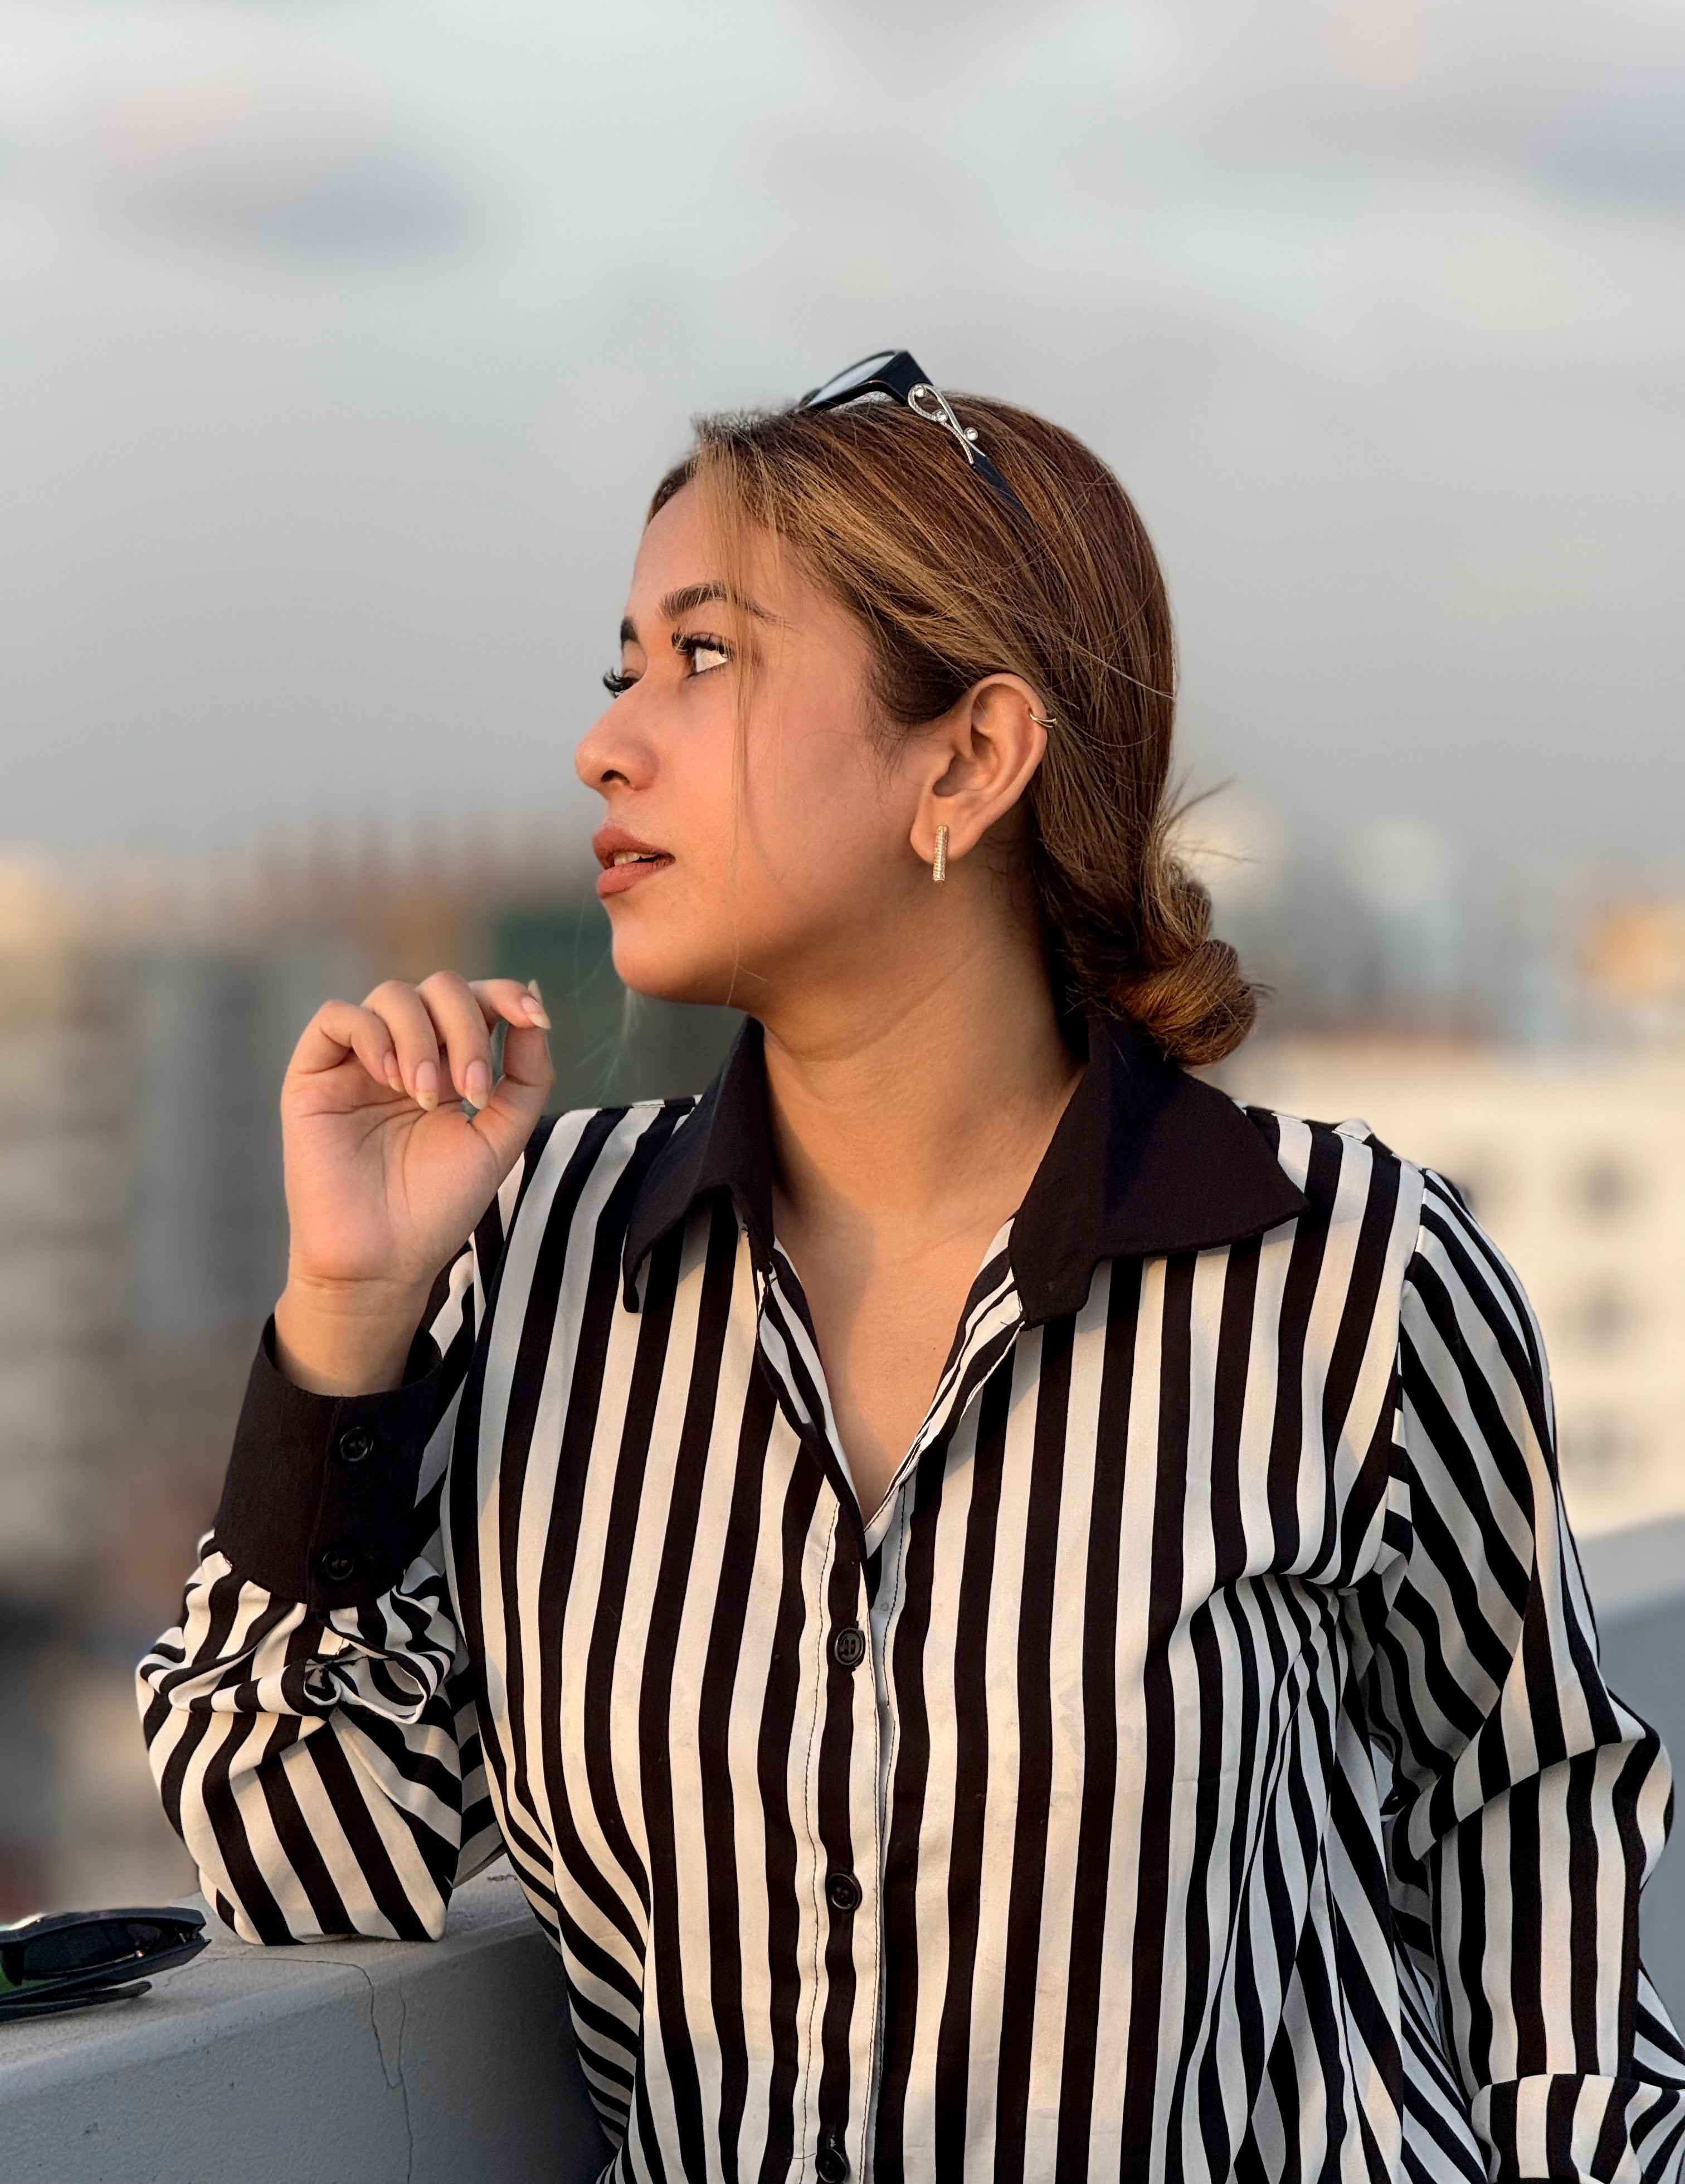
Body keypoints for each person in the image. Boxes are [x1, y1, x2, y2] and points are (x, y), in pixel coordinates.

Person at [139, 353, 1685, 2184]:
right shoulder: (541, 1256)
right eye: (623, 665)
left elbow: (1533, 1839)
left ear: (967, 758)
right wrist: (347, 1321)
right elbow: (305, 1850)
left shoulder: (1348, 1278)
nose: (607, 738)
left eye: (706, 657)